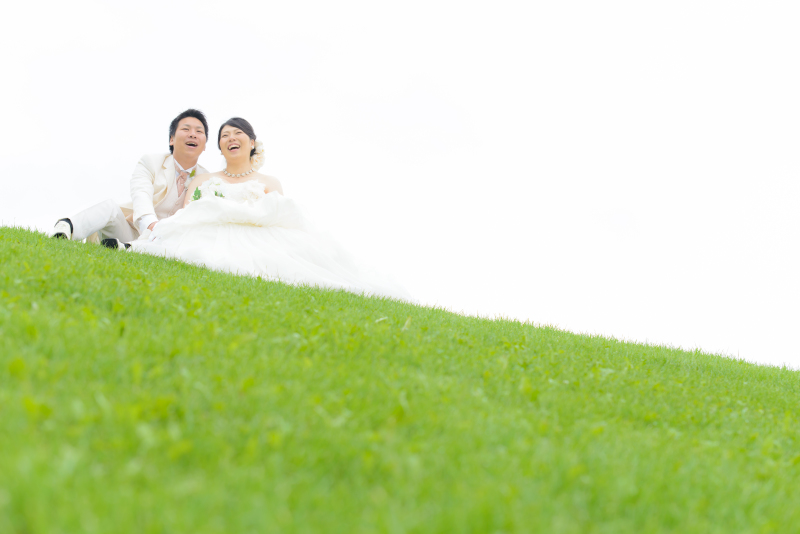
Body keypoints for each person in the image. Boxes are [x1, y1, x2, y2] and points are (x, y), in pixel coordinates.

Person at [131, 117, 409, 300]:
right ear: (219, 147)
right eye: (225, 135)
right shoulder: (203, 180)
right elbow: (188, 213)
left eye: (237, 133)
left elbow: (282, 217)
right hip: (209, 234)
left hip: (257, 238)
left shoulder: (268, 181)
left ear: (251, 143)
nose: (231, 138)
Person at [50, 109, 210, 248]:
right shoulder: (151, 162)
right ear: (171, 139)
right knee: (111, 208)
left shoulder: (207, 180)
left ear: (204, 146)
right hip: (133, 234)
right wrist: (152, 227)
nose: (192, 134)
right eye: (186, 129)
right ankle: (66, 228)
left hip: (172, 246)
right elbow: (141, 195)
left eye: (199, 131)